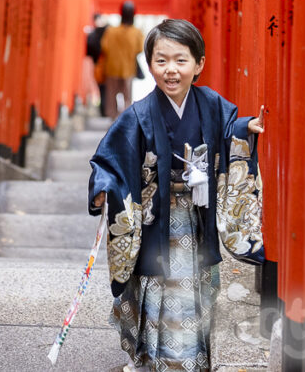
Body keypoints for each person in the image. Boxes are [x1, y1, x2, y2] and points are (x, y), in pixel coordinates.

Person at [88, 19, 266, 372]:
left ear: (199, 64)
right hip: (157, 218)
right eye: (161, 60)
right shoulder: (139, 114)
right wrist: (104, 188)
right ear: (150, 63)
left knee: (193, 285)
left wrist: (246, 127)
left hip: (195, 217)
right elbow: (110, 156)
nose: (171, 70)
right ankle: (153, 357)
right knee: (155, 285)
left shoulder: (211, 104)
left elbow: (230, 128)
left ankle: (189, 359)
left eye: (181, 60)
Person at [100, 0, 145, 119]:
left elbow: (105, 47)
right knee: (127, 97)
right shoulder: (137, 32)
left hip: (111, 68)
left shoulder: (111, 31)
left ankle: (113, 120)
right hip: (128, 69)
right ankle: (125, 121)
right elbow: (140, 49)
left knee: (111, 96)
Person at [85, 14, 109, 116]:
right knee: (109, 89)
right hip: (108, 64)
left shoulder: (93, 34)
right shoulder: (108, 31)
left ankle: (103, 110)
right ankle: (107, 110)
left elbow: (88, 51)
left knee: (102, 88)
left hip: (98, 65)